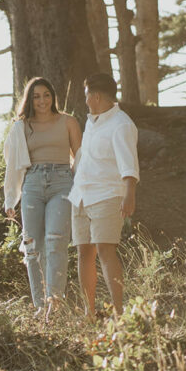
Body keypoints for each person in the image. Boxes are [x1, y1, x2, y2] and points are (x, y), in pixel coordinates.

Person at [3, 77, 83, 314]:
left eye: (46, 95)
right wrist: (10, 198)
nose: (42, 100)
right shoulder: (21, 127)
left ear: (53, 96)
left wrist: (81, 189)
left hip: (61, 182)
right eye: (36, 96)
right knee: (32, 246)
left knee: (56, 240)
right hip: (33, 184)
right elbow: (13, 163)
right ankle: (40, 306)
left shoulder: (68, 121)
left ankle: (54, 303)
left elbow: (81, 158)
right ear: (30, 99)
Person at [67, 72, 139, 318]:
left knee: (105, 250)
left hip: (107, 195)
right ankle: (90, 313)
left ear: (96, 96)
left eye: (87, 96)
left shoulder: (122, 124)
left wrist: (129, 193)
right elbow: (86, 157)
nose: (85, 101)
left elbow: (128, 162)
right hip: (81, 196)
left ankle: (119, 313)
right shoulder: (92, 122)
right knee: (84, 253)